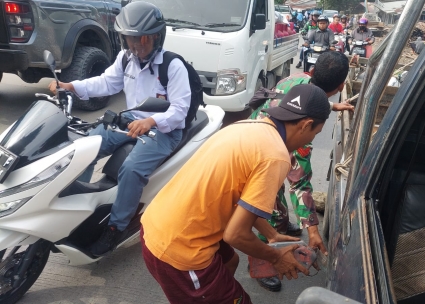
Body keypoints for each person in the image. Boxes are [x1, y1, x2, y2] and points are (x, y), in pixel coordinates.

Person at [141, 84, 332, 303]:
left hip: (157, 220)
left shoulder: (250, 126)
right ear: (306, 124)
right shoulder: (276, 156)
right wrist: (276, 256)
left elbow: (240, 199)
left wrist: (271, 234)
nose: (311, 141)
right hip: (177, 248)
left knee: (230, 262)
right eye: (315, 134)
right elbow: (235, 235)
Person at [48, 2, 191, 256]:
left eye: (143, 40)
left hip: (164, 130)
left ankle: (116, 228)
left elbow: (179, 109)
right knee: (85, 147)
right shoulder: (126, 59)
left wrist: (151, 121)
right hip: (130, 122)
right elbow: (106, 83)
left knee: (132, 169)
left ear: (157, 37)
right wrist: (71, 86)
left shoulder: (172, 66)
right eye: (130, 39)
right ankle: (77, 206)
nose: (137, 46)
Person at [249, 51, 353, 291]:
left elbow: (304, 95)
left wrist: (331, 105)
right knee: (268, 202)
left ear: (313, 72)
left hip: (255, 127)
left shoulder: (295, 80)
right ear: (341, 85)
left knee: (277, 199)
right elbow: (300, 185)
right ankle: (261, 262)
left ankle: (282, 223)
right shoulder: (302, 133)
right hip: (261, 154)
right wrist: (313, 230)